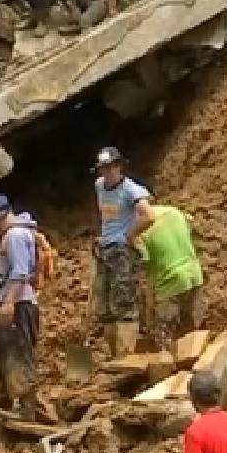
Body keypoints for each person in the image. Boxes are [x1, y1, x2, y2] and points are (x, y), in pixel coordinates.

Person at [93, 146, 154, 357]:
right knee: (106, 307)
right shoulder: (100, 186)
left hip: (122, 252)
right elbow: (106, 215)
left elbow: (148, 216)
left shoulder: (132, 190)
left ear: (119, 167)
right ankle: (114, 356)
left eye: (111, 167)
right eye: (104, 169)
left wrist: (129, 235)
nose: (108, 172)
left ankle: (126, 357)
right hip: (105, 249)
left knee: (124, 304)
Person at [0, 195, 40, 417]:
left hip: (18, 303)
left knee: (18, 353)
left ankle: (26, 409)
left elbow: (20, 272)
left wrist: (9, 303)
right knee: (3, 352)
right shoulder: (18, 232)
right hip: (16, 301)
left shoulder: (15, 235)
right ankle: (3, 403)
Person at [136, 205, 205, 352]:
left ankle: (166, 368)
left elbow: (149, 274)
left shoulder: (140, 231)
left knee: (163, 336)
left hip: (170, 282)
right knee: (191, 334)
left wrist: (149, 308)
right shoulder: (173, 212)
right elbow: (190, 223)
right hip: (195, 274)